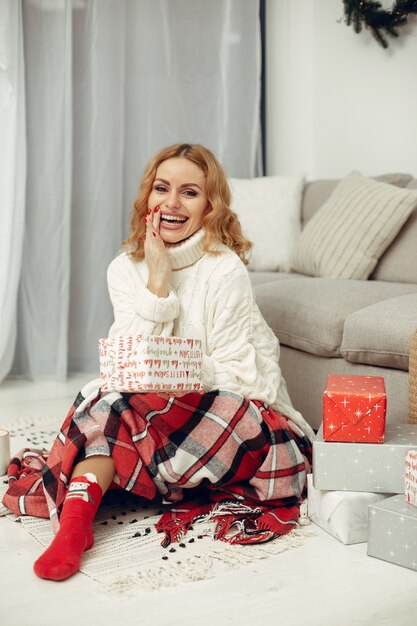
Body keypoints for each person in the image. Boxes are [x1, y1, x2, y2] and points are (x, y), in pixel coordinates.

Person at [3, 143, 315, 582]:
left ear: (210, 206)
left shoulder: (224, 270)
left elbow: (242, 376)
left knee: (121, 405)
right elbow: (126, 363)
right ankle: (74, 527)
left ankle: (91, 497)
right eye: (161, 188)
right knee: (109, 404)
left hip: (239, 420)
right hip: (154, 418)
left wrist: (173, 373)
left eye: (189, 192)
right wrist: (156, 281)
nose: (171, 203)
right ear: (147, 198)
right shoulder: (124, 270)